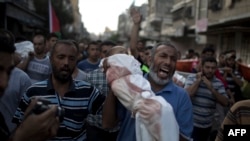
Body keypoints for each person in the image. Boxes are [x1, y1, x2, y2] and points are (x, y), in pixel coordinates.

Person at [13, 40, 105, 140]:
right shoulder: (33, 92)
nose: (66, 63)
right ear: (51, 59)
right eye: (61, 57)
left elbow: (111, 119)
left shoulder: (88, 91)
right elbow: (19, 128)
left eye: (71, 58)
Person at [103, 42, 193, 141]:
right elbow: (108, 124)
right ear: (150, 60)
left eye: (173, 59)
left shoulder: (182, 96)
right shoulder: (130, 85)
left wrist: (158, 121)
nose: (168, 62)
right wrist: (114, 83)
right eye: (163, 56)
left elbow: (185, 138)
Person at [0, 29, 60, 141]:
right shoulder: (27, 59)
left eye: (8, 72)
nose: (4, 83)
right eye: (35, 44)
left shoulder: (48, 64)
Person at [184, 56, 229, 141]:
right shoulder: (192, 78)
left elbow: (226, 102)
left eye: (213, 68)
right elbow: (187, 95)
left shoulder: (218, 83)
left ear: (216, 69)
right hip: (190, 124)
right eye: (207, 67)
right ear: (202, 67)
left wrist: (211, 88)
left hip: (207, 126)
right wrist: (198, 81)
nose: (210, 70)